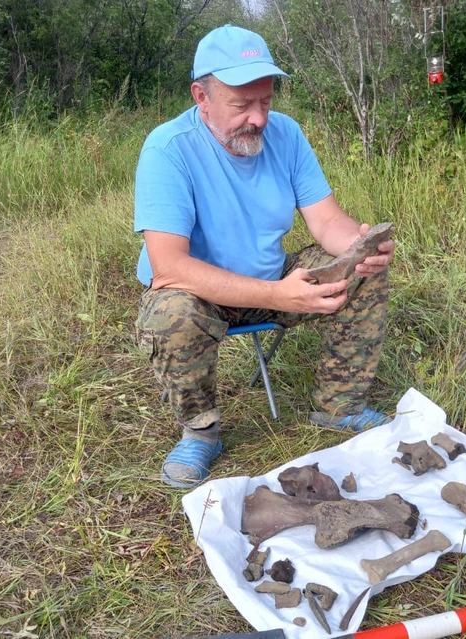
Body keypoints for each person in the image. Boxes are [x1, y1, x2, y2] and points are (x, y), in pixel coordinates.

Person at [134, 24, 395, 488]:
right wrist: (279, 296)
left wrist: (360, 246)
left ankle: (339, 408)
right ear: (202, 96)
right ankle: (201, 434)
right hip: (201, 295)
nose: (257, 118)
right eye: (241, 105)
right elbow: (169, 267)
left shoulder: (287, 136)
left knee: (364, 269)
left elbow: (326, 222)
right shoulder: (167, 149)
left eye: (265, 101)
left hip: (275, 281)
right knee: (168, 312)